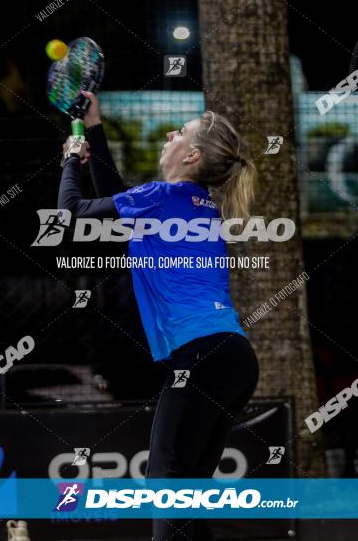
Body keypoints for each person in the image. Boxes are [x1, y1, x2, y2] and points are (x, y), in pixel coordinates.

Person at [57, 91, 260, 540]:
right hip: (234, 359)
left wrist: (72, 159)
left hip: (201, 358)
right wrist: (93, 128)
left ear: (191, 155)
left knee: (169, 484)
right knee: (188, 494)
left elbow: (70, 215)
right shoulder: (190, 202)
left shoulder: (163, 197)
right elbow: (116, 197)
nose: (170, 134)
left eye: (180, 132)